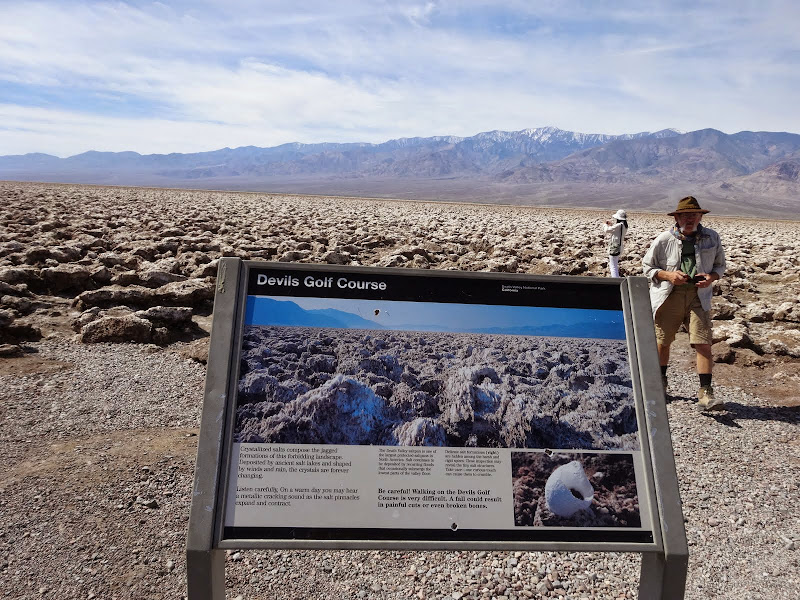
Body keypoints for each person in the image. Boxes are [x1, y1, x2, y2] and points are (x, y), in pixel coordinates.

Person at [642, 196, 726, 410]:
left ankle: (706, 394)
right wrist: (668, 275)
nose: (690, 219)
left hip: (700, 297)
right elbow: (647, 267)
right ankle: (660, 385)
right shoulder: (663, 240)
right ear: (677, 217)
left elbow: (719, 266)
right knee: (663, 341)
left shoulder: (712, 238)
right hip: (670, 296)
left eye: (694, 215)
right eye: (685, 215)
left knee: (703, 342)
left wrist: (711, 278)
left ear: (700, 216)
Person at [603, 209, 628, 277]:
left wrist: (605, 225)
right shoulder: (624, 225)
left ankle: (615, 280)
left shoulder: (619, 225)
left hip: (615, 247)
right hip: (619, 247)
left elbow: (607, 230)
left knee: (613, 266)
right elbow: (615, 230)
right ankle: (617, 278)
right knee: (614, 264)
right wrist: (610, 225)